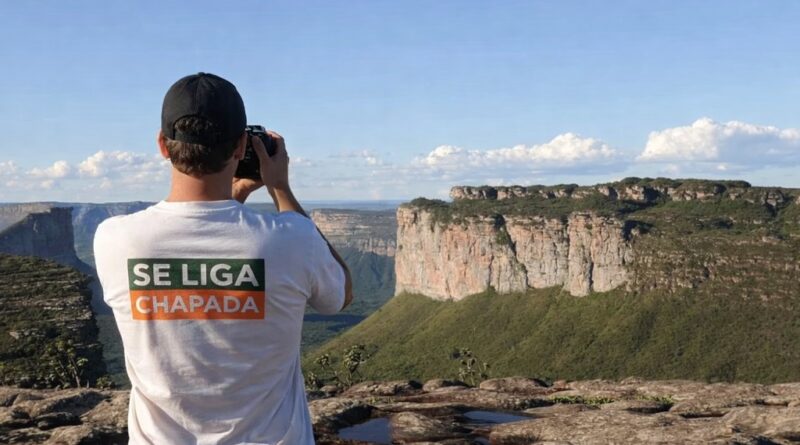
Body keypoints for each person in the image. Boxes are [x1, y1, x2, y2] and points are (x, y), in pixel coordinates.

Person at [94, 72, 353, 444]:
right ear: (241, 146)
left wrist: (233, 200)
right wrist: (280, 188)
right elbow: (339, 296)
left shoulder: (115, 238)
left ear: (163, 146)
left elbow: (205, 252)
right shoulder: (291, 237)